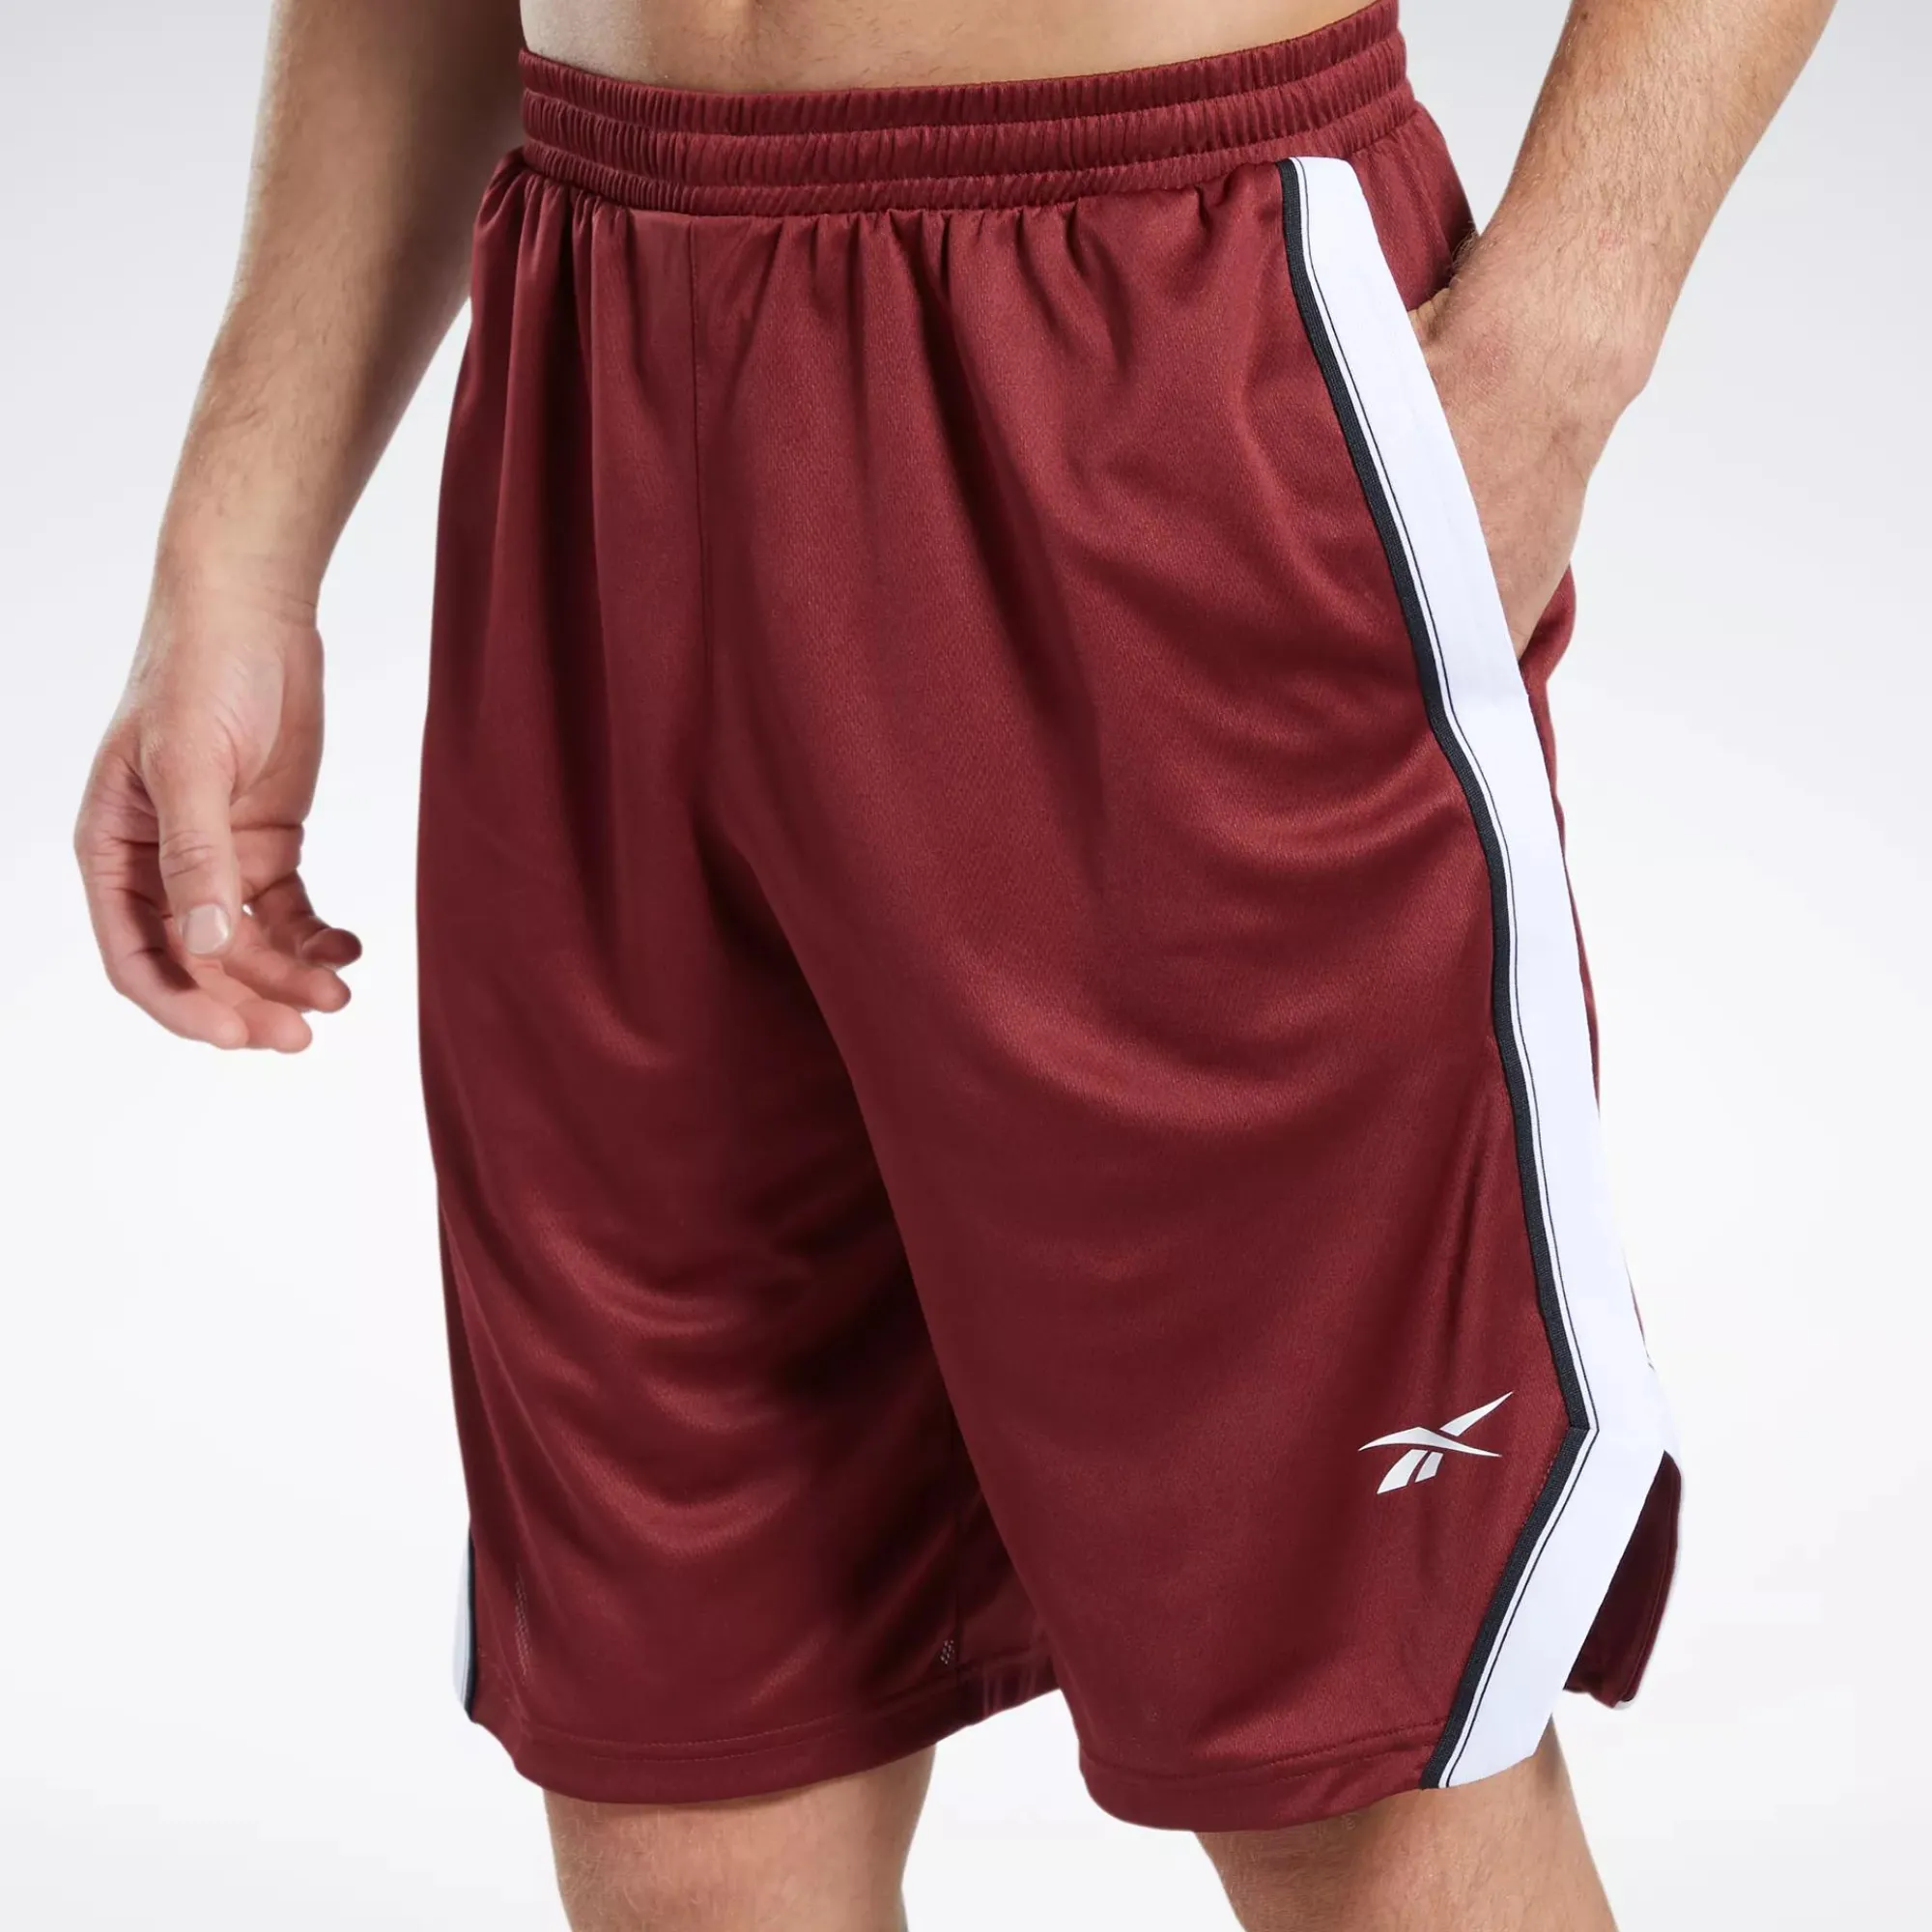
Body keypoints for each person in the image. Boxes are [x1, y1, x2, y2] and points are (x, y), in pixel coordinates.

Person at [73, 0, 1833, 1924]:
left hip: (1158, 334)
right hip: (602, 386)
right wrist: (236, 540)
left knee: (1353, 1775)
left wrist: (1561, 338)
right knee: (685, 1801)